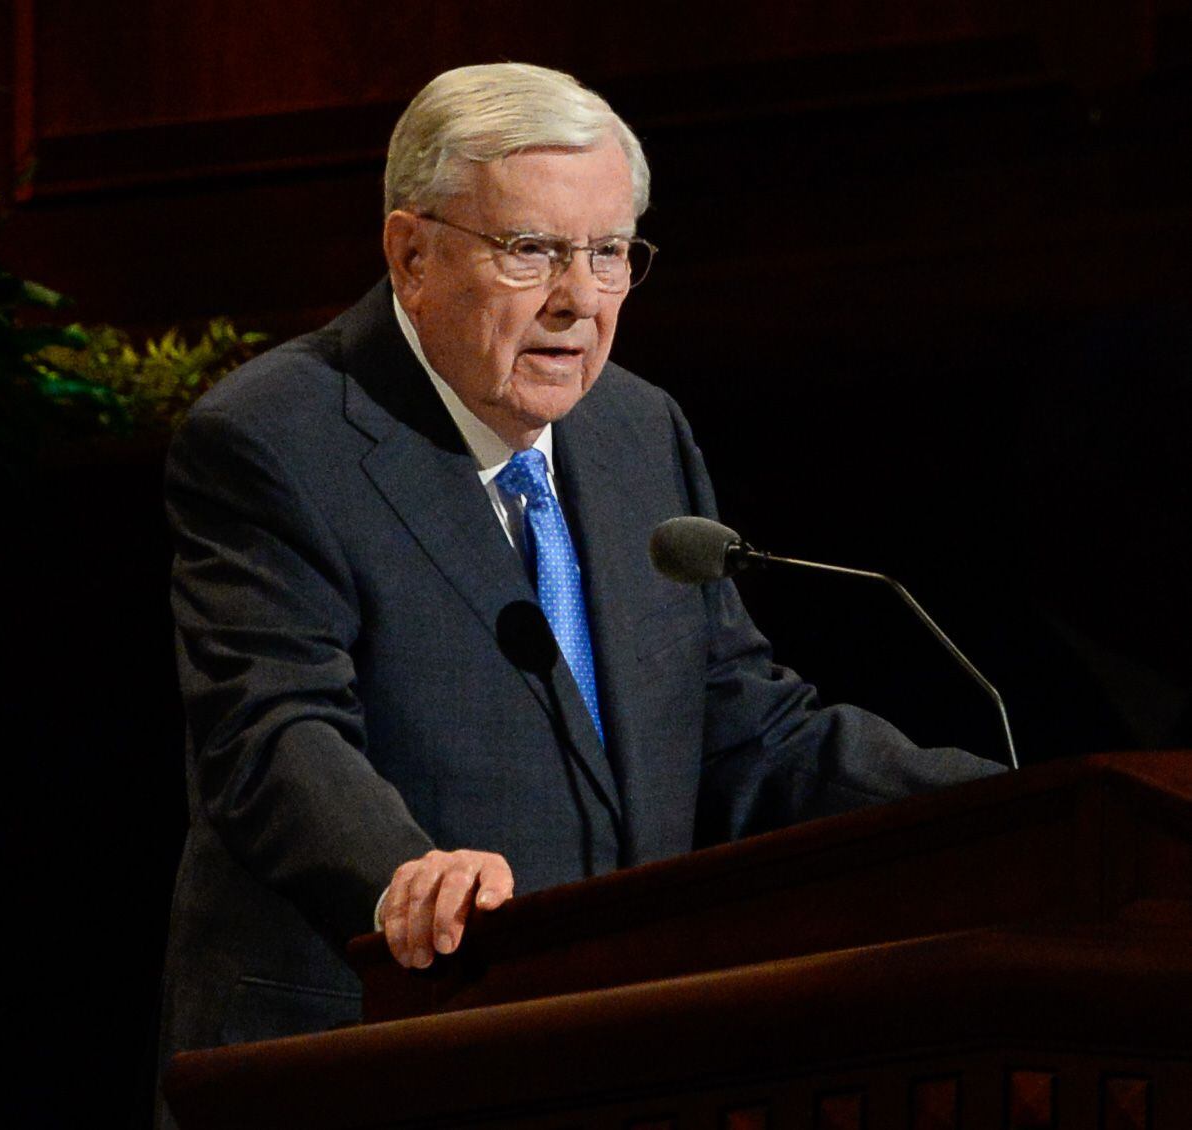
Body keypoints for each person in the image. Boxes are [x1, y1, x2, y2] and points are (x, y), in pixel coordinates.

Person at [155, 61, 1001, 1123]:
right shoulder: (276, 438)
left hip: (605, 1056)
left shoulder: (637, 431)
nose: (577, 299)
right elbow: (270, 727)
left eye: (608, 254)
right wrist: (401, 876)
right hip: (364, 1047)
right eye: (530, 250)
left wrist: (995, 808)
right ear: (410, 254)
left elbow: (746, 731)